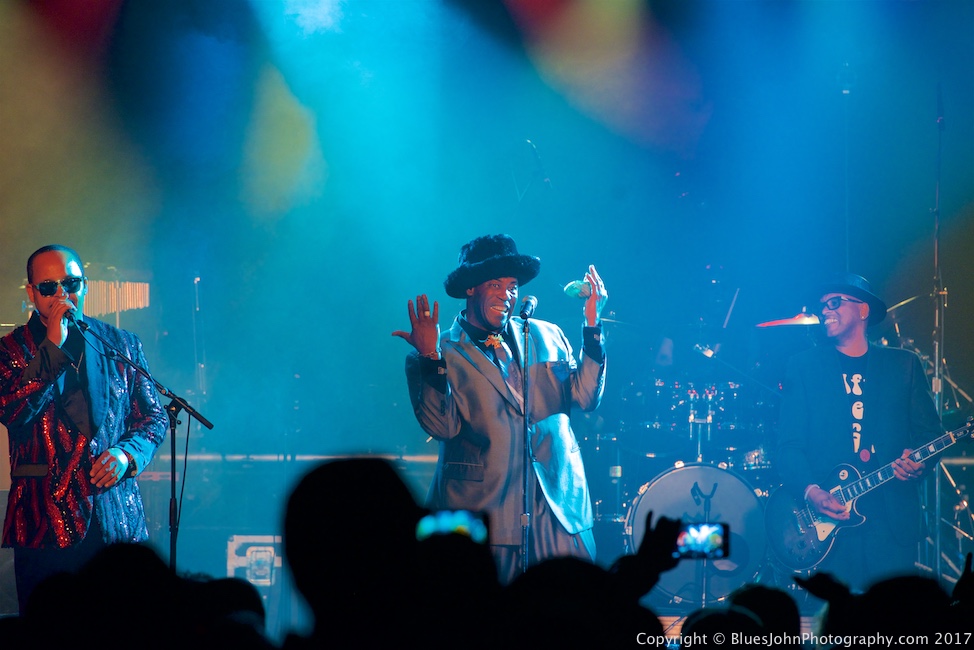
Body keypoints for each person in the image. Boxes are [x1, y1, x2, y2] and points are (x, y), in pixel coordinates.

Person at [393, 233, 607, 583]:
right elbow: (441, 426)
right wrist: (430, 357)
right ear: (470, 288)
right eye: (495, 284)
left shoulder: (547, 335)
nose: (506, 295)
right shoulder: (439, 350)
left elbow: (586, 397)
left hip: (559, 510)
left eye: (512, 286)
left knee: (572, 607)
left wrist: (592, 326)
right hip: (484, 515)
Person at [0, 244, 167, 611]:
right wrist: (52, 347)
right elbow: (13, 411)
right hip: (45, 524)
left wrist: (127, 455)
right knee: (51, 631)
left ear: (85, 285)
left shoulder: (121, 344)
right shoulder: (10, 351)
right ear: (31, 293)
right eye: (49, 287)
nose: (62, 294)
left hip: (115, 522)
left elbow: (154, 417)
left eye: (71, 283)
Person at [775, 273, 941, 591]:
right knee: (837, 618)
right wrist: (812, 491)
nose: (825, 310)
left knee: (891, 617)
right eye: (822, 306)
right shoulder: (804, 366)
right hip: (830, 523)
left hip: (891, 519)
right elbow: (788, 446)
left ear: (863, 310)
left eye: (835, 303)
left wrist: (918, 463)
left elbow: (930, 434)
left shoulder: (904, 365)